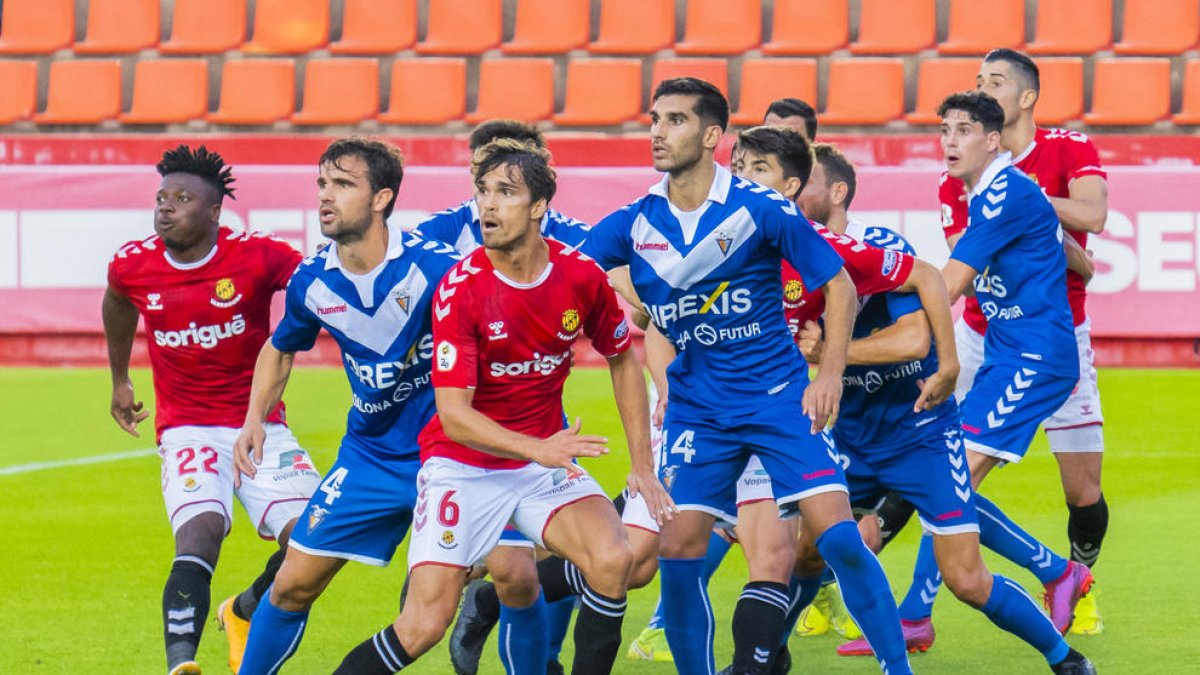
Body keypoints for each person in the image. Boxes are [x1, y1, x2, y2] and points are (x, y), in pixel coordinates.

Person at [582, 77, 912, 675]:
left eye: (675, 120)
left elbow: (837, 283)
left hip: (779, 401)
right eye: (655, 118)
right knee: (678, 550)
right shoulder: (634, 221)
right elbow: (574, 275)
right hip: (697, 413)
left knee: (836, 539)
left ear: (711, 136)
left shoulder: (761, 208)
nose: (657, 130)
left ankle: (898, 668)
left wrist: (831, 372)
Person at [330, 138, 670, 675]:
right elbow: (454, 414)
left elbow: (622, 359)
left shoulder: (580, 275)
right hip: (463, 467)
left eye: (505, 193)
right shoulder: (462, 289)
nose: (487, 205)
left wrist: (642, 466)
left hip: (538, 465)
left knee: (616, 559)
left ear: (539, 208)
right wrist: (540, 447)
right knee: (423, 624)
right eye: (482, 192)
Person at [852, 91, 1099, 670]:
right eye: (945, 130)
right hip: (1009, 355)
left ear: (993, 140)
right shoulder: (989, 193)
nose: (950, 140)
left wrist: (873, 288)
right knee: (942, 480)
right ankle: (1055, 571)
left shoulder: (1006, 193)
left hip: (1034, 359)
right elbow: (1068, 254)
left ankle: (919, 612)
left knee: (945, 474)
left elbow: (950, 282)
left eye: (964, 130)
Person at [234, 138, 460, 674]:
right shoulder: (311, 281)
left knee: (516, 576)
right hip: (371, 457)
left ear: (382, 198)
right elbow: (279, 348)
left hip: (453, 456)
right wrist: (255, 420)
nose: (325, 197)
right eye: (321, 184)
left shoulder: (438, 268)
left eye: (343, 184)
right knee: (292, 582)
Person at [103, 145, 321, 675]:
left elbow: (319, 288)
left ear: (215, 211)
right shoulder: (133, 264)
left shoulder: (259, 256)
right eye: (162, 197)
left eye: (182, 198)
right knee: (200, 531)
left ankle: (243, 611)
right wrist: (120, 378)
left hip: (261, 426)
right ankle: (182, 663)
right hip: (188, 431)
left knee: (315, 543)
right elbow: (116, 299)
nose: (166, 207)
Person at [415, 119, 590, 254]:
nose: (490, 202)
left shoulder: (580, 241)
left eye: (506, 189)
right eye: (479, 169)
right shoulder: (434, 233)